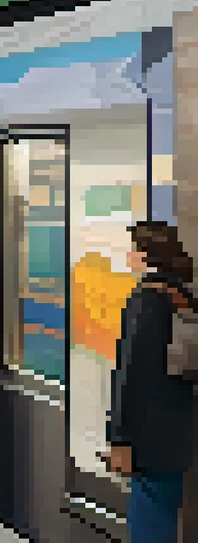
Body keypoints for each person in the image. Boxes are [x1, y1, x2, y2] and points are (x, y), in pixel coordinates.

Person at [106, 220, 198, 543]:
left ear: (147, 255)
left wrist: (119, 437)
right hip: (180, 432)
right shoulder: (183, 295)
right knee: (165, 519)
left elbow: (130, 373)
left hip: (148, 437)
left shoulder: (146, 299)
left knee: (149, 525)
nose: (128, 256)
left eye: (133, 249)